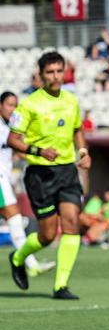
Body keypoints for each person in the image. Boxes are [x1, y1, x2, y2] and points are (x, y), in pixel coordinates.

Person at [6, 52, 90, 299]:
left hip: (67, 171)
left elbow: (77, 129)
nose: (55, 77)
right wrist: (39, 150)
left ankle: (60, 286)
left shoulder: (71, 100)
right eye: (50, 72)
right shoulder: (29, 104)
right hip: (40, 174)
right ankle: (18, 256)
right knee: (48, 234)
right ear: (41, 75)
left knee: (72, 222)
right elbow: (12, 139)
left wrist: (83, 151)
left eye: (59, 71)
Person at [0, 91, 55, 277]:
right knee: (15, 219)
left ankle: (30, 263)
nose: (13, 109)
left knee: (15, 220)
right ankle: (30, 264)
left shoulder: (10, 128)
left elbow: (20, 151)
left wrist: (43, 158)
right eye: (9, 104)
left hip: (4, 178)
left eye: (16, 105)